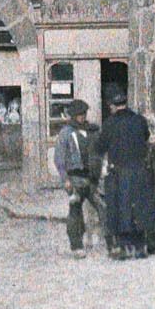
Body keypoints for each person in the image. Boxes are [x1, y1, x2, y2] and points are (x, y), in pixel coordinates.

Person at [94, 86, 155, 260]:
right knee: (140, 208)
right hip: (140, 172)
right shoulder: (140, 120)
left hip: (119, 173)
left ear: (111, 105)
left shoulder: (109, 124)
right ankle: (140, 247)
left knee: (119, 209)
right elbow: (146, 137)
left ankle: (123, 247)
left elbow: (99, 147)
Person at [52, 99, 103, 255]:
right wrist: (65, 179)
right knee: (75, 212)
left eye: (83, 114)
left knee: (103, 208)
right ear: (72, 116)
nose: (82, 117)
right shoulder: (66, 133)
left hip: (91, 179)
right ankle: (77, 246)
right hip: (74, 178)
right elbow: (59, 159)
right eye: (79, 115)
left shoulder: (92, 131)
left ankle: (111, 242)